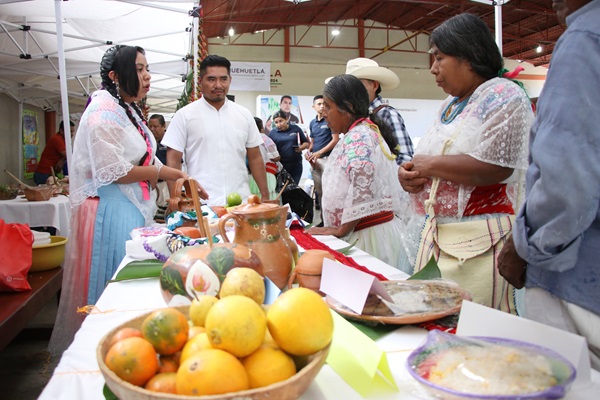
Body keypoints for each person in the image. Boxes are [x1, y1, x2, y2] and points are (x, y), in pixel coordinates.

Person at [48, 45, 204, 355]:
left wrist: (170, 175)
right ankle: (106, 353)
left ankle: (127, 348)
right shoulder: (102, 111)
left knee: (129, 282)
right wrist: (168, 173)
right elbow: (113, 170)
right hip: (111, 209)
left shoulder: (124, 107)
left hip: (128, 206)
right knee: (114, 287)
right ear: (115, 76)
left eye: (148, 69)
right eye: (140, 69)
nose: (148, 77)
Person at [398, 13, 534, 311]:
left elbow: (498, 166)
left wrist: (429, 166)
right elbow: (431, 160)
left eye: (439, 58)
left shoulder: (503, 94)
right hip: (440, 238)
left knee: (472, 325)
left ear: (468, 56)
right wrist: (410, 176)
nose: (433, 69)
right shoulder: (450, 104)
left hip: (479, 245)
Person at [498, 0, 600, 369]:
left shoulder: (586, 38)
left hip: (576, 277)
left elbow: (566, 182)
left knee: (562, 380)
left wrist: (526, 246)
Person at [307, 74, 406, 270]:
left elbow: (363, 181)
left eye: (328, 106)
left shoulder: (358, 136)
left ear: (348, 107)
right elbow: (350, 174)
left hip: (366, 237)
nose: (324, 112)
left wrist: (340, 230)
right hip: (369, 232)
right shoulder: (361, 131)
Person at [162, 55, 269, 206]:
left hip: (241, 203)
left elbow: (255, 157)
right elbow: (173, 160)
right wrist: (177, 200)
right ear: (201, 81)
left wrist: (265, 195)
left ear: (230, 80)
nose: (218, 85)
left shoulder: (244, 115)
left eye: (223, 79)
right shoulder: (185, 115)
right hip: (200, 205)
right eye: (211, 79)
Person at [327, 57, 413, 165]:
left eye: (358, 85)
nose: (352, 91)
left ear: (374, 85)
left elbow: (404, 157)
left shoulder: (387, 114)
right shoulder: (353, 117)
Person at [305, 95, 339, 225]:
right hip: (315, 161)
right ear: (313, 107)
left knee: (330, 192)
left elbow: (335, 140)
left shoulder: (330, 120)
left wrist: (319, 152)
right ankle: (324, 220)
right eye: (318, 104)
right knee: (320, 192)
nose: (321, 106)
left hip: (329, 160)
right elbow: (312, 142)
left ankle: (331, 221)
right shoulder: (312, 123)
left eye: (323, 104)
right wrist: (309, 151)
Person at [268, 109, 309, 185]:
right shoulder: (272, 133)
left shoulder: (295, 128)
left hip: (296, 164)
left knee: (294, 187)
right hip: (281, 166)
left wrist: (301, 148)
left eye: (281, 121)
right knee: (283, 189)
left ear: (286, 119)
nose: (279, 124)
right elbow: (268, 149)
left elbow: (306, 143)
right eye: (276, 122)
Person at [249, 116, 281, 201]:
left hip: (252, 175)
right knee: (269, 198)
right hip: (267, 174)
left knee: (255, 198)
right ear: (262, 128)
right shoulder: (265, 138)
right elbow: (275, 157)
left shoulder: (247, 139)